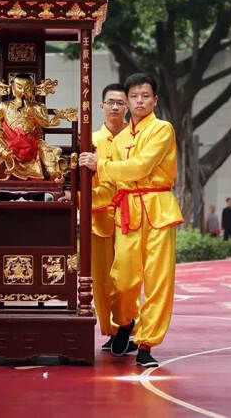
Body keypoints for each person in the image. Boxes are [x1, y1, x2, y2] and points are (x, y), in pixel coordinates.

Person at [78, 73, 183, 368]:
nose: (139, 101)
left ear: (155, 100)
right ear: (127, 100)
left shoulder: (163, 129)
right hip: (127, 212)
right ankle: (125, 322)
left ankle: (147, 343)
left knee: (158, 280)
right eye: (134, 96)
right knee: (121, 279)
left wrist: (101, 165)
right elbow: (107, 177)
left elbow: (140, 167)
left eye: (145, 96)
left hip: (158, 210)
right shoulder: (119, 137)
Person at [89, 83, 132, 352]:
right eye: (110, 102)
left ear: (127, 107)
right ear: (101, 106)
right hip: (99, 218)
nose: (115, 107)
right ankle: (113, 330)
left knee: (127, 277)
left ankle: (126, 324)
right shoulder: (91, 141)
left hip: (130, 217)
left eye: (120, 102)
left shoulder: (134, 139)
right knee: (101, 279)